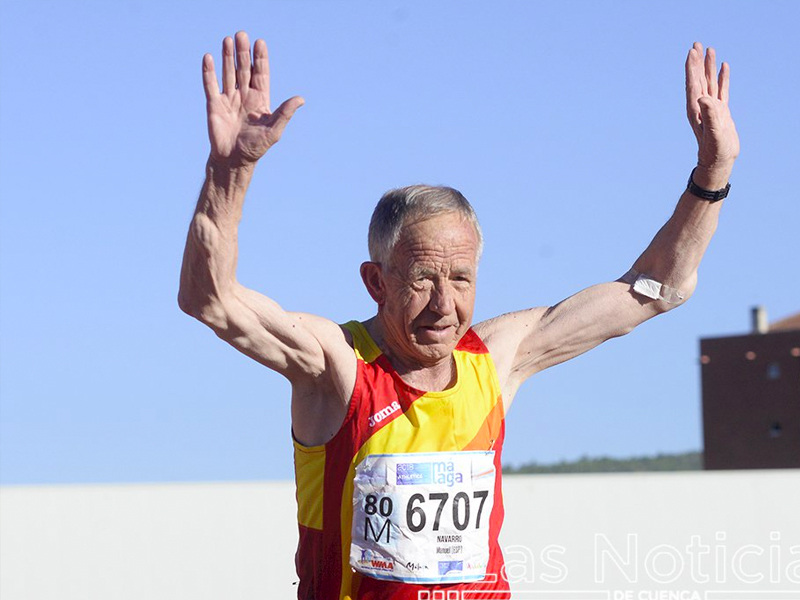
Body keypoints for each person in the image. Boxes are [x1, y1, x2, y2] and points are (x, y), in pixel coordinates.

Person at [178, 31, 739, 600]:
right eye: (422, 280)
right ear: (376, 282)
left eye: (462, 279)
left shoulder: (495, 360)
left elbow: (658, 288)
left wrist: (714, 170)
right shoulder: (337, 366)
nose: (445, 306)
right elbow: (211, 300)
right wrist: (231, 173)